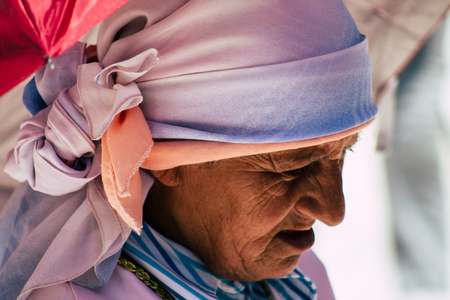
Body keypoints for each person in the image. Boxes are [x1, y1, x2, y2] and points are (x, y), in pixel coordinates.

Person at [0, 0, 377, 299]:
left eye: (343, 153)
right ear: (162, 159)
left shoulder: (303, 277)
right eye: (290, 169)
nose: (333, 211)